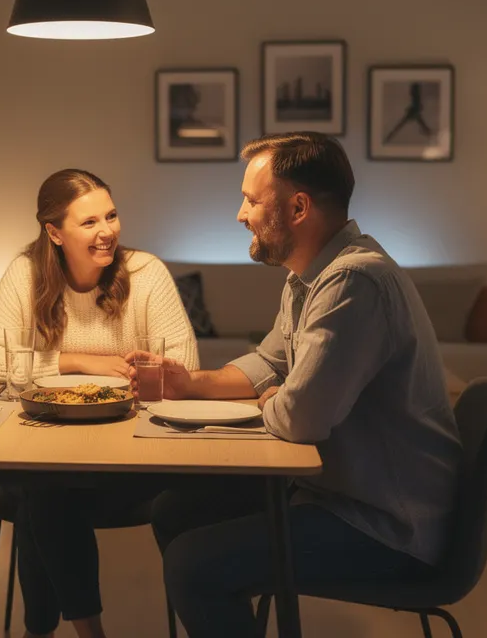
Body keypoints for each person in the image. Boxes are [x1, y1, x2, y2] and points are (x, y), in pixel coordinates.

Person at [138, 133, 462, 638]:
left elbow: (301, 417)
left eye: (250, 200)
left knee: (190, 565)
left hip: (386, 524)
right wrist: (187, 383)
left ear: (298, 207)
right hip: (339, 497)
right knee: (174, 511)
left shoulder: (354, 282)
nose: (240, 215)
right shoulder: (308, 278)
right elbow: (268, 364)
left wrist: (277, 399)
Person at [0, 168, 199, 638]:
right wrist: (78, 362)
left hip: (128, 462)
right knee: (46, 486)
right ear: (54, 232)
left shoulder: (145, 272)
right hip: (43, 448)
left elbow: (182, 363)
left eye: (111, 216)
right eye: (90, 222)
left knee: (43, 495)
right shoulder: (26, 273)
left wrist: (147, 369)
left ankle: (42, 632)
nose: (107, 231)